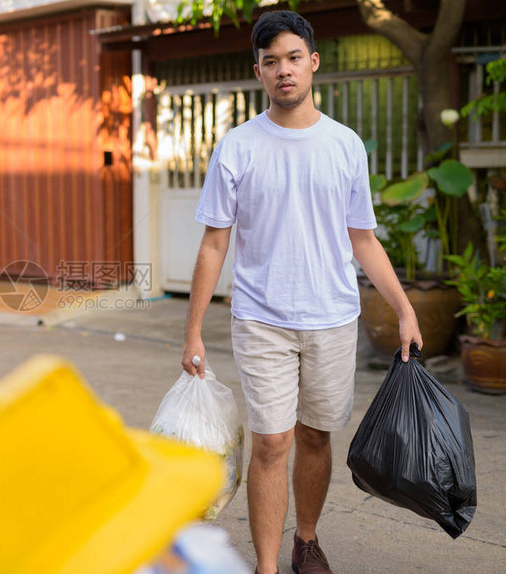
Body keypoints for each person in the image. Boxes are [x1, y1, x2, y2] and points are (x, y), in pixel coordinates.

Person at [180, 10, 423, 574]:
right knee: (271, 443)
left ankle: (305, 541)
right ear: (259, 72)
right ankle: (267, 565)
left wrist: (405, 311)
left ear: (312, 62)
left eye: (293, 58)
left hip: (333, 318)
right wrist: (192, 329)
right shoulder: (237, 147)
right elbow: (215, 243)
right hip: (261, 319)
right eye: (271, 62)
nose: (283, 71)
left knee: (316, 436)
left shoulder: (344, 146)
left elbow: (363, 239)